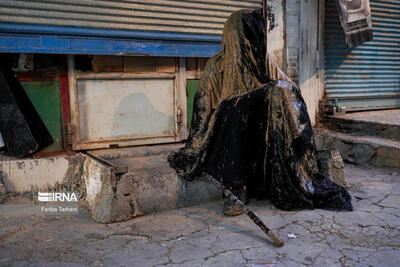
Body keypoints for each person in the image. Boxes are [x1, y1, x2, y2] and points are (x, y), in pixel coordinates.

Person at [169, 9, 352, 216]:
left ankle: (287, 175)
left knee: (279, 91)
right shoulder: (216, 66)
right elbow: (202, 113)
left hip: (262, 141)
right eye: (246, 34)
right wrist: (198, 145)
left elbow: (291, 101)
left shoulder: (265, 64)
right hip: (228, 143)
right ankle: (236, 188)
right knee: (232, 108)